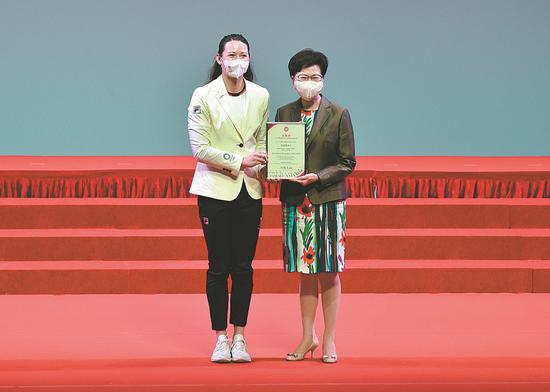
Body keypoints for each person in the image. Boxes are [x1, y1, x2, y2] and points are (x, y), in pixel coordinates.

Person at [187, 34, 269, 363]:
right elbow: (200, 149)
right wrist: (239, 161)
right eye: (231, 54)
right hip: (215, 190)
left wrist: (272, 165)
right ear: (219, 58)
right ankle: (220, 337)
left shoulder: (261, 95)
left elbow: (263, 140)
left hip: (249, 190)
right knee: (219, 266)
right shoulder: (203, 96)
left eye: (243, 54)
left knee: (244, 267)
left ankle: (240, 336)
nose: (238, 59)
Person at [275, 49, 356, 364]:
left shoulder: (338, 113)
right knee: (304, 272)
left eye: (315, 77)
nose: (309, 83)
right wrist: (276, 169)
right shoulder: (283, 113)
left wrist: (318, 177)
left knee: (328, 271)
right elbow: (279, 153)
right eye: (303, 77)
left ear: (323, 79)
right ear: (293, 80)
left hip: (327, 200)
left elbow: (347, 161)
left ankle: (329, 339)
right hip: (296, 202)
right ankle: (307, 335)